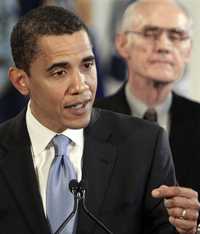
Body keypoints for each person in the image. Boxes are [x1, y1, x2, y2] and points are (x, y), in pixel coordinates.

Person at [0, 5, 199, 234]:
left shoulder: (145, 145)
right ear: (21, 81)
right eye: (59, 72)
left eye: (87, 65)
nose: (81, 85)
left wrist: (188, 229)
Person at [95, 0, 200, 221]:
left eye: (176, 36)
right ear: (122, 44)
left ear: (188, 50)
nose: (163, 45)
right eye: (151, 33)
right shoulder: (89, 120)